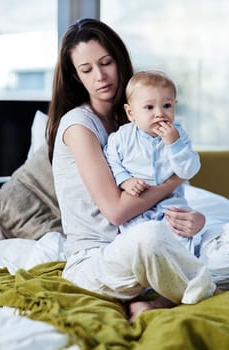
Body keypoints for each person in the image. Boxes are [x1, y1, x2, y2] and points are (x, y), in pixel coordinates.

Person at [46, 18, 219, 324]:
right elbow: (116, 212)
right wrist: (176, 178)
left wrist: (197, 220)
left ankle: (165, 296)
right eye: (87, 70)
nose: (100, 76)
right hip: (98, 257)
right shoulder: (78, 126)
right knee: (149, 236)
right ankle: (191, 289)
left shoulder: (133, 119)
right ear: (76, 77)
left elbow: (170, 185)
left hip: (145, 243)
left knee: (215, 230)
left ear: (119, 60)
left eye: (106, 62)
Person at [104, 70, 201, 253]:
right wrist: (124, 180)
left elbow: (188, 170)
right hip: (137, 209)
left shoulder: (178, 135)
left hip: (171, 208)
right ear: (131, 113)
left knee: (180, 244)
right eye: (149, 108)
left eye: (166, 106)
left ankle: (182, 272)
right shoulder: (122, 137)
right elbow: (111, 160)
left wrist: (174, 144)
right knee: (137, 245)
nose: (159, 114)